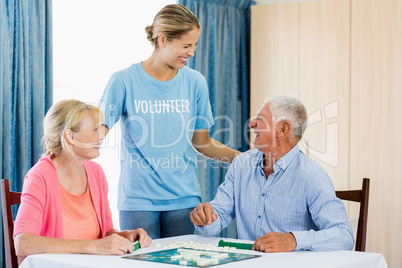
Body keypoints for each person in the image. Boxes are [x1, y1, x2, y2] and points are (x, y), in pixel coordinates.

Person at [99, 4, 240, 239]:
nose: (192, 52)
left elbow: (202, 142)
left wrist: (246, 160)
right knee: (142, 263)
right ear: (162, 39)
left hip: (184, 198)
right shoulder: (123, 81)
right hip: (138, 200)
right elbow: (96, 134)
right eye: (186, 45)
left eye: (195, 44)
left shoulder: (195, 82)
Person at [190, 96, 354, 252]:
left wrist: (294, 240)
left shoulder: (312, 175)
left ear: (282, 129)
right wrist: (205, 218)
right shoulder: (241, 165)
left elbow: (344, 236)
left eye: (260, 119)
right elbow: (218, 216)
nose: (251, 124)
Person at [13, 100, 152, 263]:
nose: (102, 135)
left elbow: (106, 233)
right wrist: (93, 246)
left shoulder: (96, 173)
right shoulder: (39, 177)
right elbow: (23, 243)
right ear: (70, 136)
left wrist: (125, 236)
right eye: (95, 129)